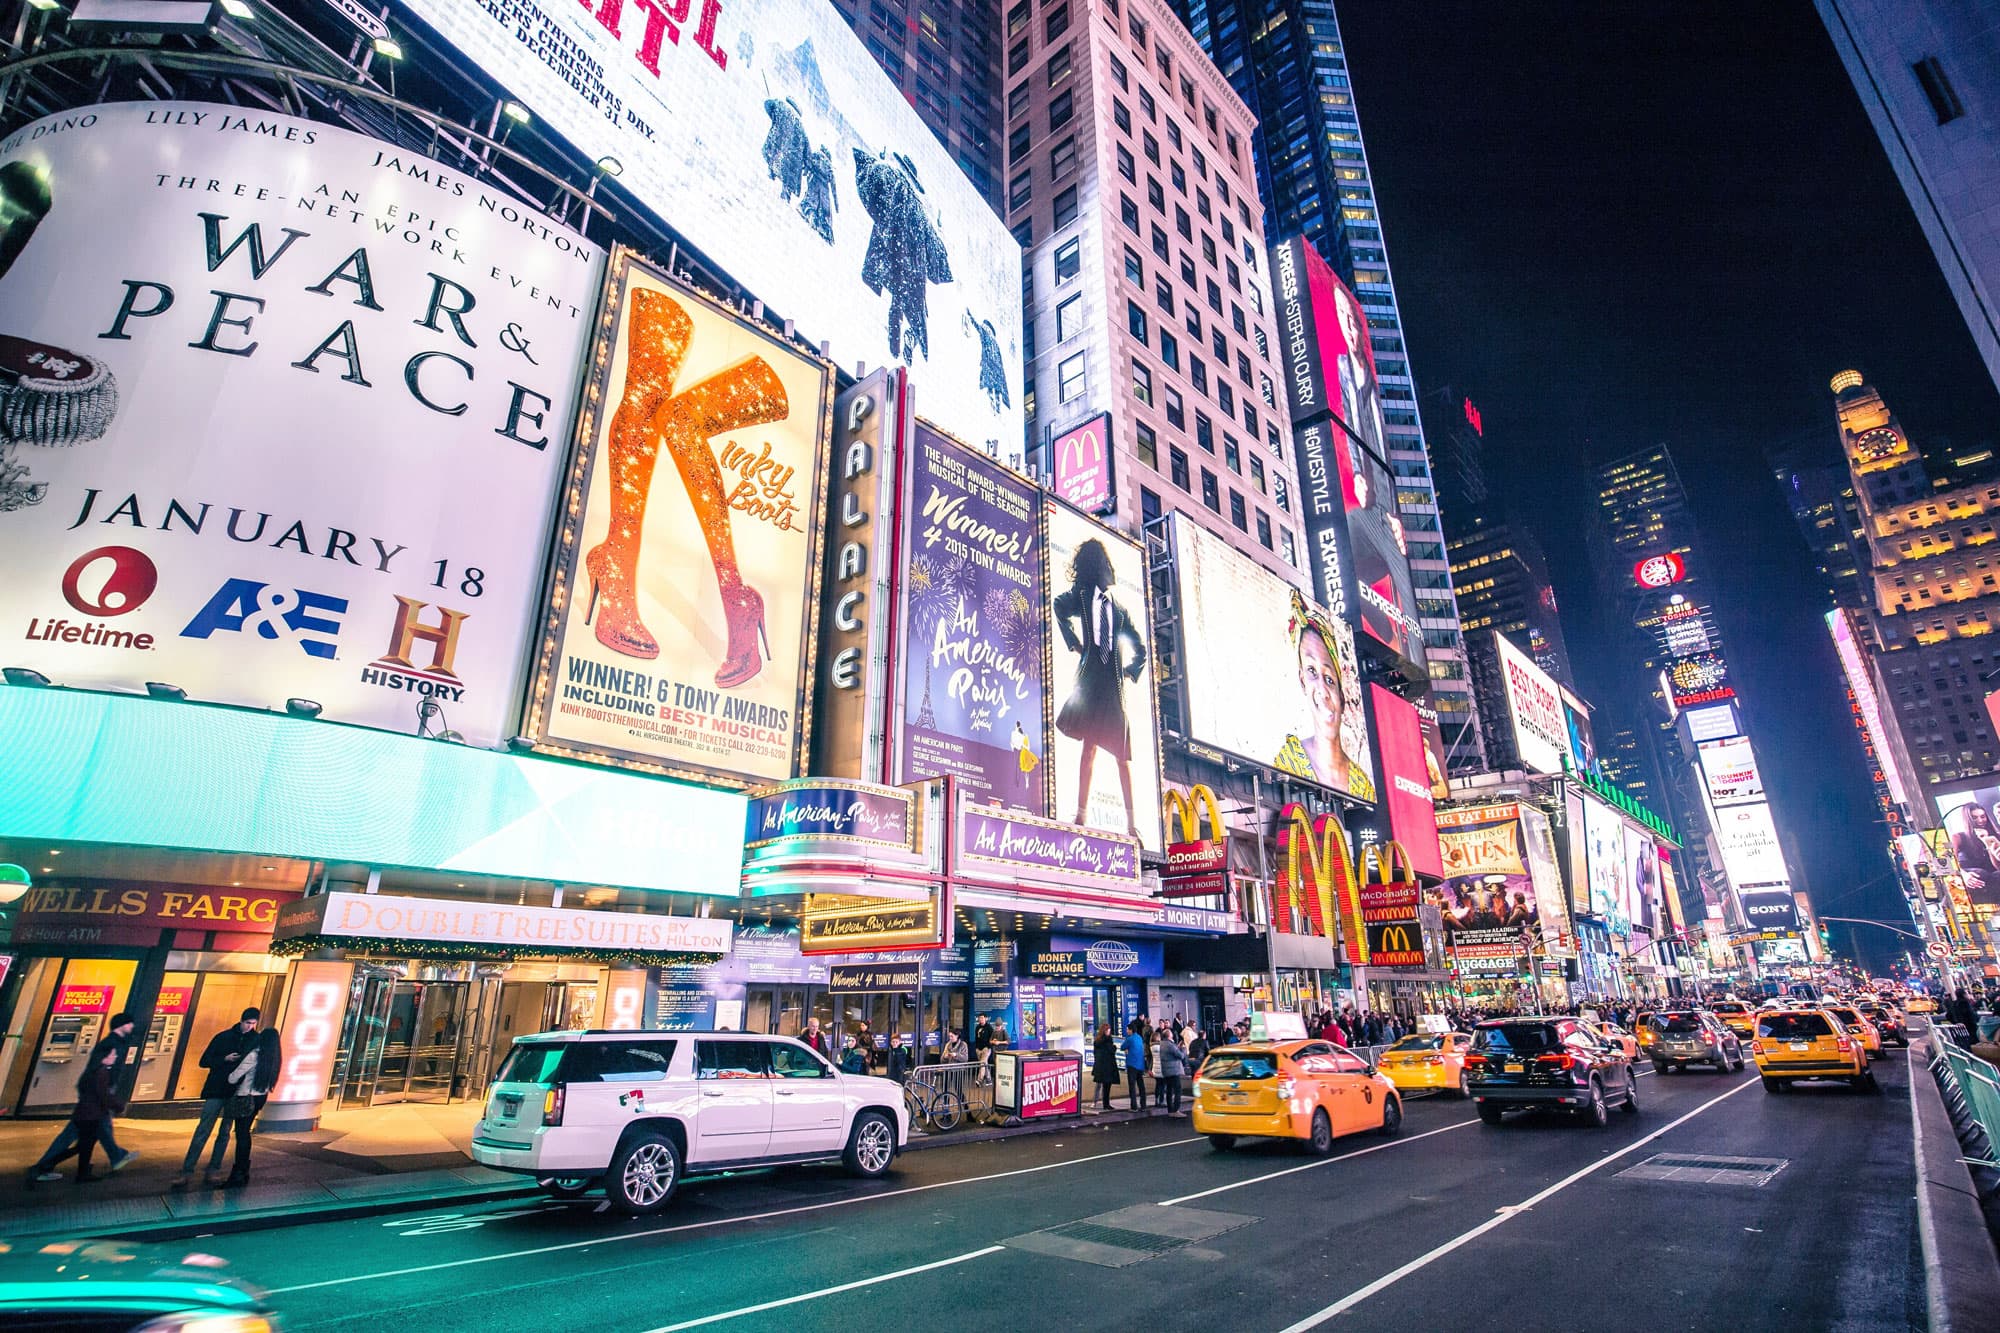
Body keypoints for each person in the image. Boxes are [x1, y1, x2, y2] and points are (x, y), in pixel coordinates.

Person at [1053, 537, 1150, 836]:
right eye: (1104, 563)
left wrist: (1131, 673)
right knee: (1089, 748)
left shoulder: (1119, 610)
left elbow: (1140, 649)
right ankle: (1081, 815)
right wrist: (1074, 644)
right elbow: (1058, 605)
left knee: (1122, 756)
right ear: (1097, 567)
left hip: (1113, 687)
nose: (1109, 569)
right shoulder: (1081, 596)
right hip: (1091, 682)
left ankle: (1132, 824)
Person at [25, 1015, 138, 1186]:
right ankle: (44, 1166)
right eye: (129, 1023)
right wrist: (114, 1101)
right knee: (81, 1135)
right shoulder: (109, 1047)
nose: (132, 1026)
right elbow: (99, 1078)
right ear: (121, 1025)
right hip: (96, 1098)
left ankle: (112, 1158)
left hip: (93, 1099)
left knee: (93, 1131)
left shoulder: (113, 1044)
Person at [175, 1006, 262, 1188]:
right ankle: (187, 1170)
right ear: (241, 1020)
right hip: (218, 1088)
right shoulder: (224, 1037)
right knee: (204, 1129)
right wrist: (224, 1059)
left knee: (224, 1132)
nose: (250, 1027)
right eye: (248, 1023)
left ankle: (213, 1169)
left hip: (234, 1092)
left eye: (253, 1024)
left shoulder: (254, 1040)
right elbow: (204, 1060)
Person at [221, 1013, 282, 1189]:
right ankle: (242, 1171)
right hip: (260, 1097)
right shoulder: (274, 1059)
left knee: (241, 1134)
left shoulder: (255, 1055)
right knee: (244, 1133)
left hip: (245, 1096)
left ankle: (238, 1172)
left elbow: (234, 1077)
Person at [1156, 1026, 1188, 1115]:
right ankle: (1176, 1109)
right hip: (1174, 1071)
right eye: (1171, 1033)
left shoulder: (1161, 1044)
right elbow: (1181, 1056)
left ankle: (1170, 1110)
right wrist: (1183, 1048)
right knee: (1178, 1090)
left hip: (1165, 1070)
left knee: (1169, 1090)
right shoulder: (1170, 1045)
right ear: (1169, 1036)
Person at [1121, 1020, 1149, 1111]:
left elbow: (1122, 1047)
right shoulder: (1139, 1037)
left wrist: (1127, 1049)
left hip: (1132, 1064)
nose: (1126, 1031)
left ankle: (1134, 1107)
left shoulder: (1129, 1039)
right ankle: (1143, 1105)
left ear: (1130, 1030)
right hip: (1140, 1065)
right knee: (1141, 1086)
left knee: (1132, 1086)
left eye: (1127, 1029)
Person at [1091, 1023, 1119, 1111]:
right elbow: (1111, 1050)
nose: (1109, 1031)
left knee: (1099, 1085)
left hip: (1100, 1067)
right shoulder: (1108, 1040)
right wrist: (1114, 1047)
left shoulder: (1097, 1041)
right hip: (1108, 1067)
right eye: (1108, 1030)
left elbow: (1095, 1053)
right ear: (1105, 1031)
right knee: (1107, 1086)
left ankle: (1096, 1102)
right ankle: (1106, 1104)